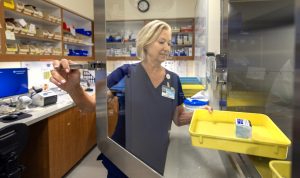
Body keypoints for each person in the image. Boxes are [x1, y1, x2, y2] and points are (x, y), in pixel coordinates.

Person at [50, 20, 212, 177]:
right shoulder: (125, 74)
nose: (167, 48)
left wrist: (198, 114)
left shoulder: (174, 80)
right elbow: (90, 105)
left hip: (156, 157)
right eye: (161, 42)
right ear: (146, 43)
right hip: (124, 157)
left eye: (169, 43)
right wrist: (74, 87)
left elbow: (178, 117)